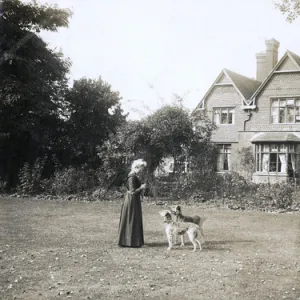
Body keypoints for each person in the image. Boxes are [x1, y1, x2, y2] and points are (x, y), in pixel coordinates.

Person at [118, 159, 147, 247]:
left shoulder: (134, 176)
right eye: (141, 168)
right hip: (132, 200)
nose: (142, 170)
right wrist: (141, 187)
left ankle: (133, 240)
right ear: (136, 167)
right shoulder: (132, 177)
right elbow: (132, 191)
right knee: (131, 219)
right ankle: (129, 241)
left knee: (133, 219)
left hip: (133, 200)